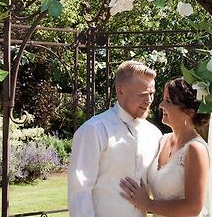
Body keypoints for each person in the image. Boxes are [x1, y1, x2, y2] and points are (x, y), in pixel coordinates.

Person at [68, 60, 162, 217]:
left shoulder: (154, 134)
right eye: (143, 95)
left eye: (151, 94)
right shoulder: (94, 130)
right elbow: (79, 190)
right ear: (120, 91)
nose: (149, 100)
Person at [120, 77, 210, 216]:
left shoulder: (195, 149)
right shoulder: (163, 140)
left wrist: (148, 204)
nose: (161, 105)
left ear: (189, 112)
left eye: (168, 101)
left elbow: (193, 207)